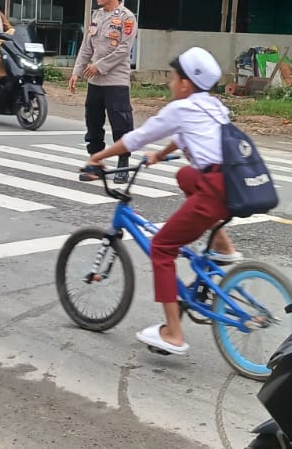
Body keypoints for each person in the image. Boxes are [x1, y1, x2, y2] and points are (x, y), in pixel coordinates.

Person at [84, 47, 241, 355]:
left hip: (214, 191)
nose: (170, 82)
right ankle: (224, 250)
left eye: (173, 77)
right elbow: (186, 135)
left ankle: (173, 333)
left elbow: (135, 138)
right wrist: (161, 154)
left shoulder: (179, 109)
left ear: (185, 84)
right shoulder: (214, 106)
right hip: (235, 184)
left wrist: (98, 157)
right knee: (185, 176)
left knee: (162, 248)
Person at [72, 0, 137, 182]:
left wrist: (99, 67)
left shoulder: (127, 17)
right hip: (95, 81)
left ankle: (123, 164)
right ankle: (95, 163)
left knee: (121, 124)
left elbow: (124, 50)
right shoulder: (97, 15)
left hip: (116, 81)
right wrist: (77, 71)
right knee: (93, 122)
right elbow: (86, 46)